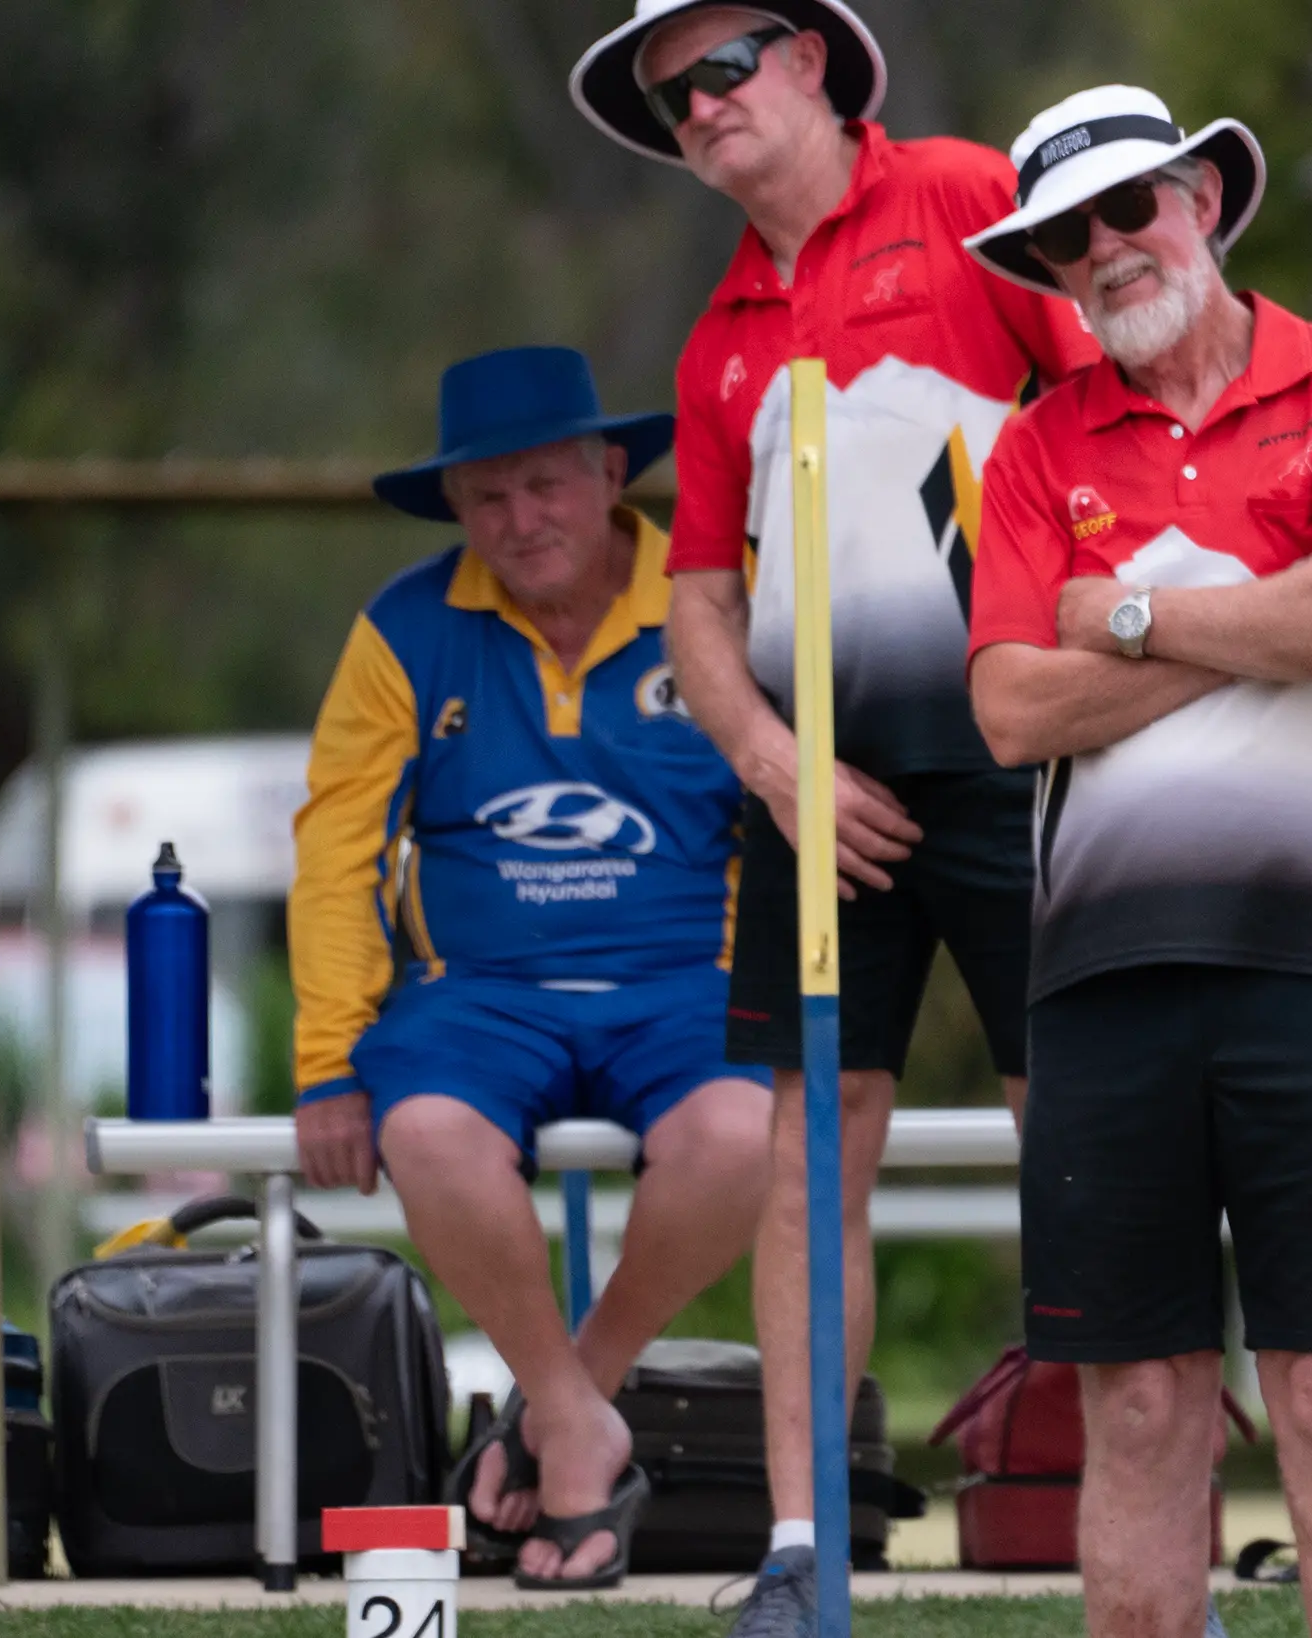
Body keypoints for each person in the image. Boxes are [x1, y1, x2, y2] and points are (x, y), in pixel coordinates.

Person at [569, 3, 1095, 1624]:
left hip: (1027, 751)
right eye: (668, 99)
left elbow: (1114, 425)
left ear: (809, 60)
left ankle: (1145, 1534)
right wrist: (767, 754)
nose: (698, 109)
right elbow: (700, 599)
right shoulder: (720, 325)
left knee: (1081, 1132)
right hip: (822, 794)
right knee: (815, 1150)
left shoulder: (965, 195)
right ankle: (803, 1545)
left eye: (719, 67)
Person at [964, 87, 1312, 1638]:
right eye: (1068, 236)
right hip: (1103, 986)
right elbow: (1005, 710)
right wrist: (1265, 609)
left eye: (1131, 210)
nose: (1106, 251)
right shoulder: (1037, 447)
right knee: (1138, 1407)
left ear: (1202, 200)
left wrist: (1126, 610)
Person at [290, 346, 773, 1591]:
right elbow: (338, 850)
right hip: (475, 1000)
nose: (521, 520)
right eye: (490, 496)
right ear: (455, 504)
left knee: (745, 1137)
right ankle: (573, 1428)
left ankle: (569, 1404)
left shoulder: (725, 600)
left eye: (548, 487)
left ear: (610, 473)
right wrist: (326, 1062)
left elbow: (796, 807)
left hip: (684, 985)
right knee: (433, 1135)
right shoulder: (402, 628)